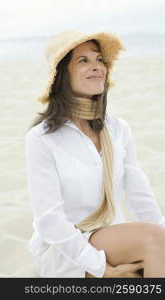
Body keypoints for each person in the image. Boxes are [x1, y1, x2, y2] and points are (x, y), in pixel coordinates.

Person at [25, 29, 165, 278]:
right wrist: (100, 267)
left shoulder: (118, 129)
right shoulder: (42, 138)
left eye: (99, 59)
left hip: (113, 236)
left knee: (155, 248)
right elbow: (50, 220)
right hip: (65, 250)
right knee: (151, 241)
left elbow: (139, 192)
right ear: (62, 75)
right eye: (84, 60)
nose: (97, 66)